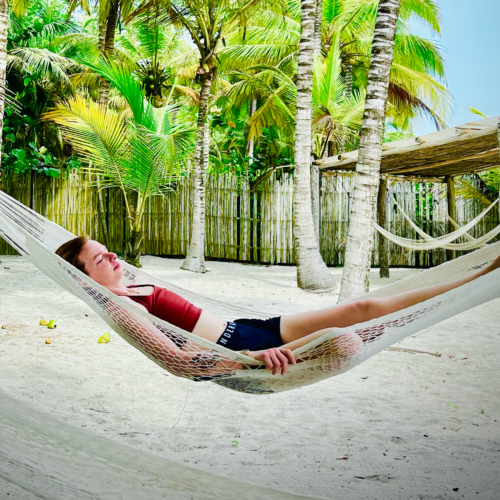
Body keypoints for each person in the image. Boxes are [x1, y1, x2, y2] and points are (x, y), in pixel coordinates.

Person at [56, 236, 500, 377]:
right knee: (345, 343)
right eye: (100, 259)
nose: (112, 257)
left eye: (107, 249)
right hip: (242, 352)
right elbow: (177, 360)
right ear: (83, 276)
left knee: (361, 306)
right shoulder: (121, 310)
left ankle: (481, 278)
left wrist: (249, 341)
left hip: (248, 327)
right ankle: (468, 289)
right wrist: (248, 359)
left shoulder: (132, 286)